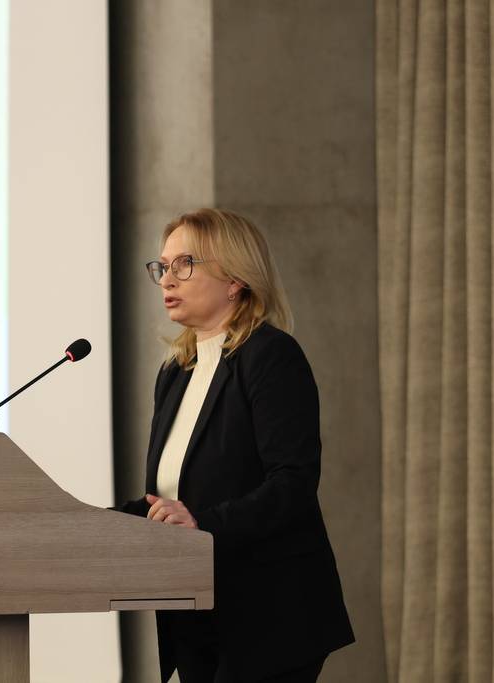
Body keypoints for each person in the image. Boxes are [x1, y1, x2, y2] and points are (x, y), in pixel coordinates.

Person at [115, 208, 354, 682]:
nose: (167, 279)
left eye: (184, 264)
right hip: (196, 612)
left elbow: (292, 484)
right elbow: (169, 499)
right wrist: (86, 521)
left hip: (268, 615)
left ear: (234, 279)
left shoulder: (271, 356)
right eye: (162, 266)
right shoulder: (176, 372)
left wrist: (201, 524)